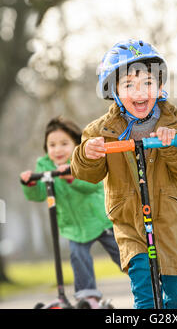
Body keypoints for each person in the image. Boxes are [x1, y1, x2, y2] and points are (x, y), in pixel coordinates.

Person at [71, 39, 177, 309]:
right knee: (144, 295)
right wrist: (88, 153)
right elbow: (86, 174)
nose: (140, 91)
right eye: (129, 85)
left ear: (159, 87)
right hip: (131, 224)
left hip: (171, 222)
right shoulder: (102, 131)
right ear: (114, 90)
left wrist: (175, 144)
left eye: (147, 83)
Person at [20, 116, 121, 308]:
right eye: (52, 145)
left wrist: (72, 178)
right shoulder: (45, 165)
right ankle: (89, 296)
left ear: (75, 143)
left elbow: (94, 185)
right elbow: (40, 194)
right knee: (78, 256)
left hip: (99, 218)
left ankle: (146, 280)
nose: (57, 150)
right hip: (73, 225)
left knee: (122, 252)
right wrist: (31, 183)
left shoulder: (83, 158)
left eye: (64, 143)